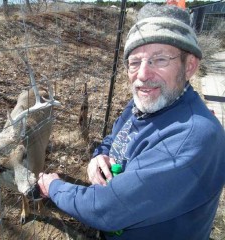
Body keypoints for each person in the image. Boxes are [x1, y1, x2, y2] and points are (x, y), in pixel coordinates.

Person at [38, 3, 225, 239]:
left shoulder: (191, 137)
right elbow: (115, 137)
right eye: (135, 62)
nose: (143, 75)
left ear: (189, 66)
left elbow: (107, 209)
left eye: (160, 60)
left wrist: (54, 187)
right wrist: (99, 155)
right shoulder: (145, 104)